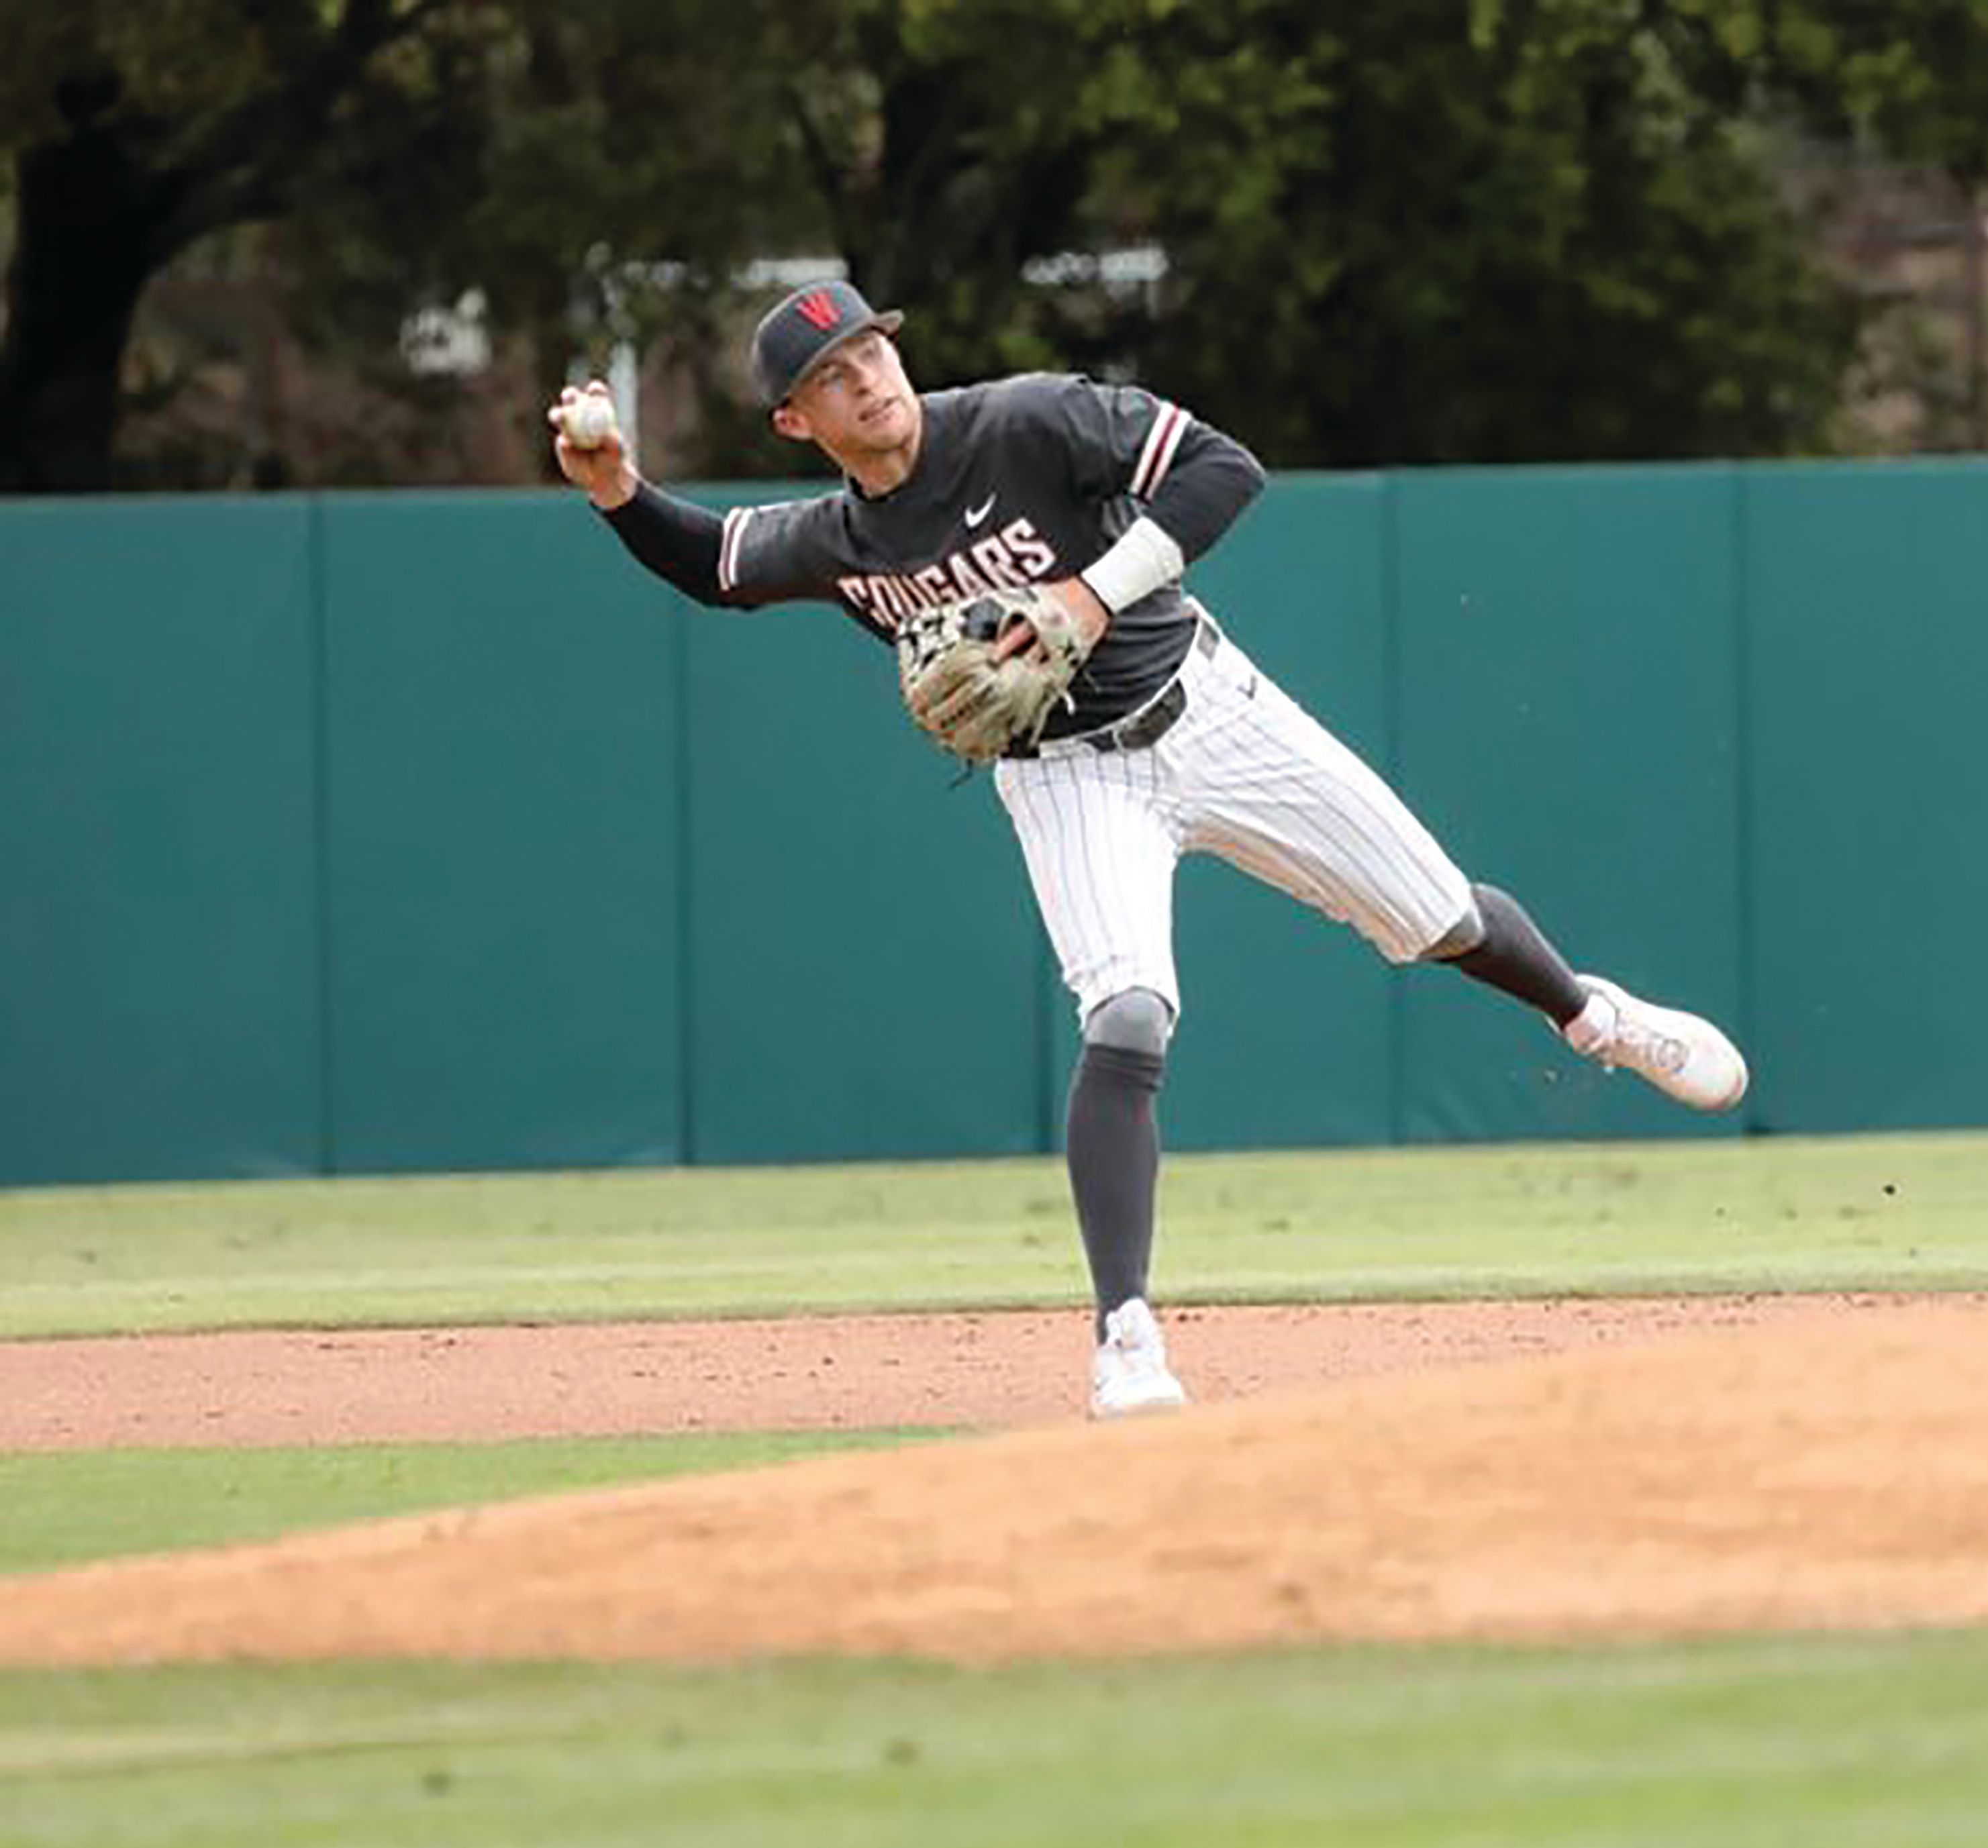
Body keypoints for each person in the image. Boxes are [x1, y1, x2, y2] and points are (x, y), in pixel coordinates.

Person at [550, 278, 1750, 1421]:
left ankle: (1592, 1017)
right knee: (1126, 1015)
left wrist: (1087, 596)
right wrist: (614, 487)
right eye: (831, 374)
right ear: (795, 419)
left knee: (1440, 917)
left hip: (1210, 705)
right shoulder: (841, 541)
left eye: (872, 349)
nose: (867, 379)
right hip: (1069, 780)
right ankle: (1126, 1335)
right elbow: (711, 567)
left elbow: (1226, 471)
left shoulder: (1030, 420)